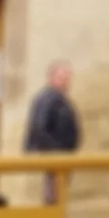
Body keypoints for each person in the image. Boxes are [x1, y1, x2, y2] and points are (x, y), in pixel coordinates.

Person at [22, 60, 80, 206]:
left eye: (68, 78)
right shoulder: (48, 99)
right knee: (53, 195)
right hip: (55, 156)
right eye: (63, 78)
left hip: (62, 156)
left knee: (58, 194)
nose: (67, 82)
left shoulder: (59, 99)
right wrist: (56, 151)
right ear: (52, 78)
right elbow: (39, 128)